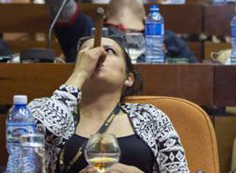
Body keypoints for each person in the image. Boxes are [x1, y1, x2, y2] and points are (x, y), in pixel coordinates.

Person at [28, 34, 190, 172]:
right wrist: (80, 74)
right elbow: (27, 148)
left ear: (129, 78)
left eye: (109, 51)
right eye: (87, 53)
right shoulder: (42, 108)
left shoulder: (151, 117)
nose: (97, 56)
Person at [41, 0, 197, 63]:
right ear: (105, 15)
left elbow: (197, 81)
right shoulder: (87, 32)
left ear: (146, 18)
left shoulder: (168, 39)